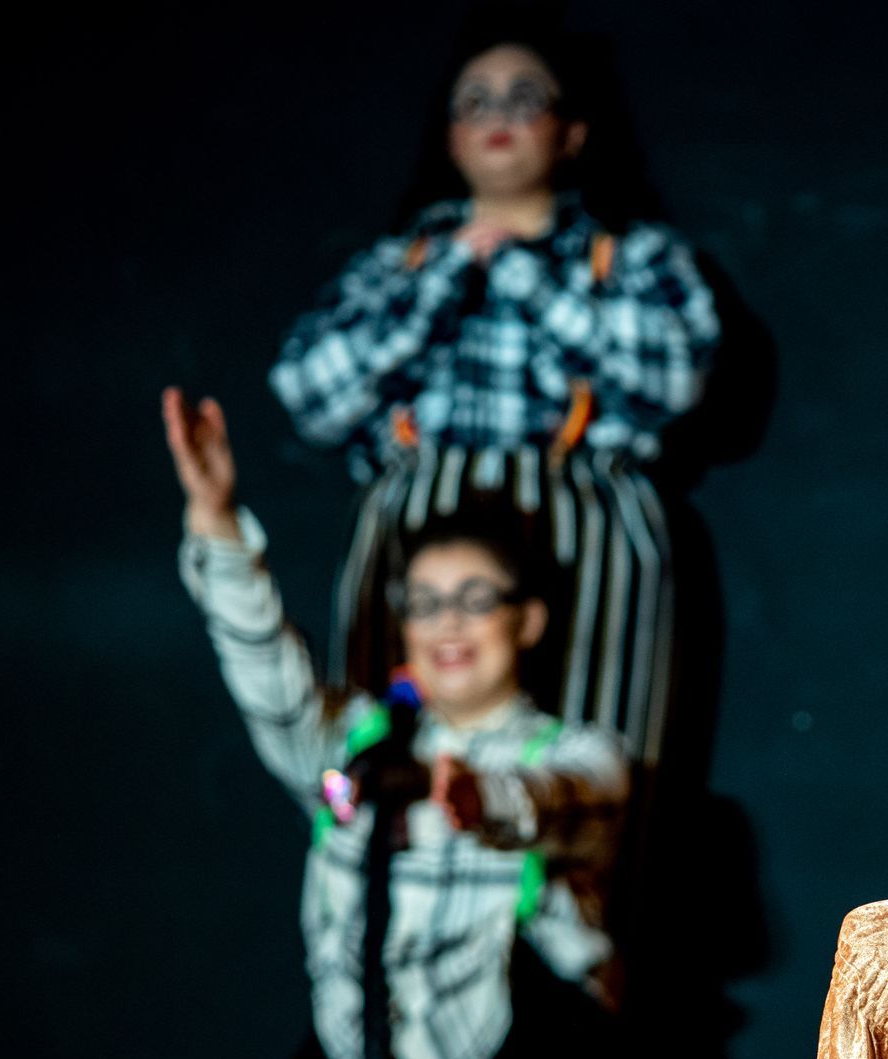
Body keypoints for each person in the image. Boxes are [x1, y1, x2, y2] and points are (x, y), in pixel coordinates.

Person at [162, 387, 693, 1059]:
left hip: (507, 1057)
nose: (448, 622)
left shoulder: (578, 752)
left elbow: (564, 801)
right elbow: (266, 674)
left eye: (476, 598)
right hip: (356, 1051)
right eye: (426, 601)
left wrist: (483, 801)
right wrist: (215, 517)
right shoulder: (356, 744)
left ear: (526, 619)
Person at [268, 15, 721, 769]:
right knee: (393, 757)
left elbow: (672, 383)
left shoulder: (632, 256)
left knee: (588, 765)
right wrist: (445, 279)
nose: (498, 116)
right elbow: (310, 396)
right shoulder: (399, 266)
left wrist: (520, 273)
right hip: (414, 534)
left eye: (524, 98)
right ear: (452, 138)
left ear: (570, 133)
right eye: (476, 100)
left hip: (584, 543)